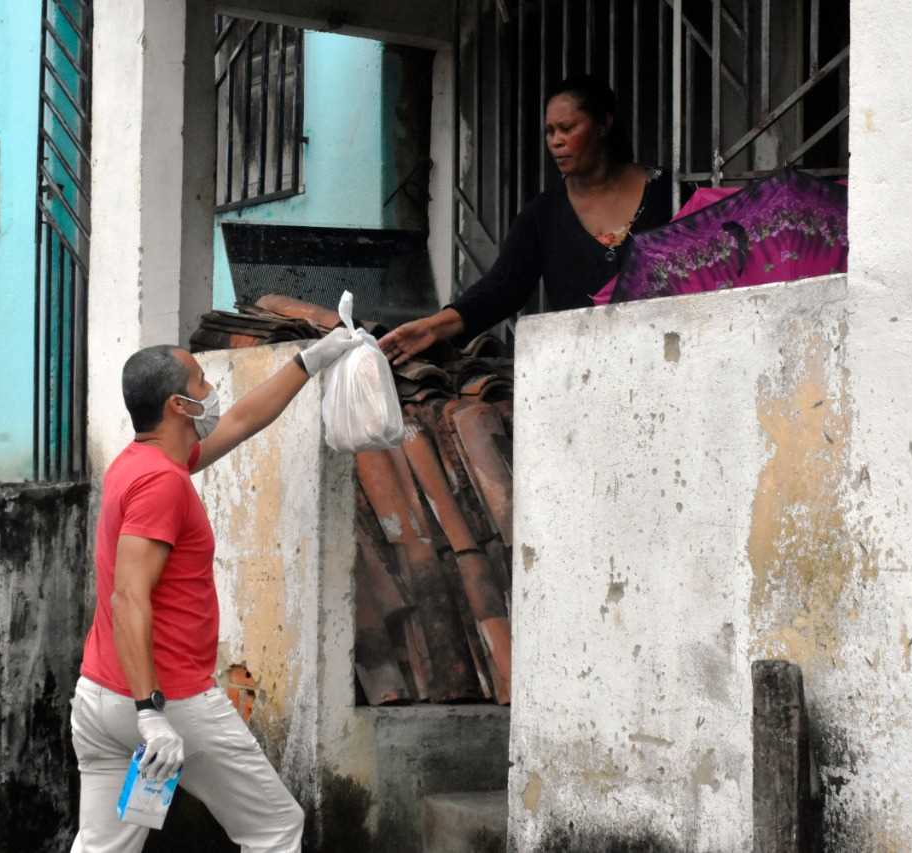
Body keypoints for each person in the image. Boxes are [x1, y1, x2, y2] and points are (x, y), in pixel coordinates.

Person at [68, 330, 360, 853]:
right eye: (202, 381)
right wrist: (151, 711)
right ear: (179, 405)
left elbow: (242, 420)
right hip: (167, 699)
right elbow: (129, 597)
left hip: (100, 698)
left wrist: (309, 361)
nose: (212, 389)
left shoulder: (139, 464)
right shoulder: (163, 483)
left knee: (102, 848)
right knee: (275, 828)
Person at [379, 75, 673, 365]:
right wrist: (432, 327)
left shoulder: (668, 194)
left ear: (603, 125)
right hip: (585, 370)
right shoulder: (543, 215)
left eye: (567, 128)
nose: (556, 141)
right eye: (550, 132)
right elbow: (501, 288)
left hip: (669, 358)